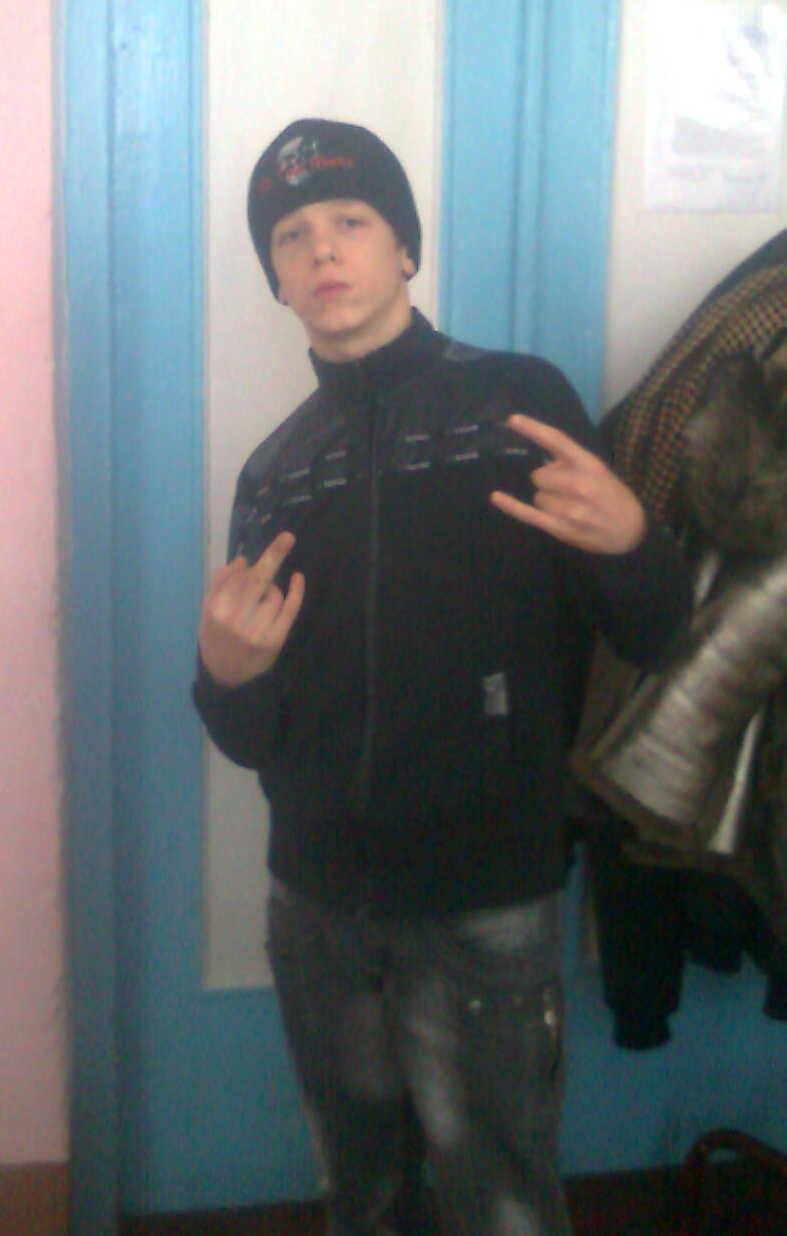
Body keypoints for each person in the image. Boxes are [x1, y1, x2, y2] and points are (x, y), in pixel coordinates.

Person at [193, 119, 690, 1236]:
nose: (323, 249)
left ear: (405, 248)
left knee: (500, 1203)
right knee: (361, 1197)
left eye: (352, 220)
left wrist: (633, 545)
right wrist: (224, 674)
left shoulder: (518, 407)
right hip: (318, 907)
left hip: (487, 901)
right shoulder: (274, 474)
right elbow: (252, 735)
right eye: (291, 234)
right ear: (275, 277)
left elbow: (656, 635)